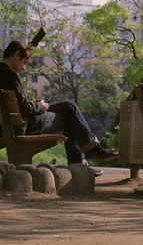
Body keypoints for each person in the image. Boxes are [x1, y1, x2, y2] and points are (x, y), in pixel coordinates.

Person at [0, 39, 117, 168]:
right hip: (22, 127)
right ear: (16, 55)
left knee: (69, 107)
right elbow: (26, 108)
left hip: (5, 127)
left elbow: (19, 105)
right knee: (69, 111)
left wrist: (35, 104)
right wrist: (41, 106)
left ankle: (86, 155)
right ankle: (85, 156)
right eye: (24, 62)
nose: (23, 67)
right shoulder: (10, 75)